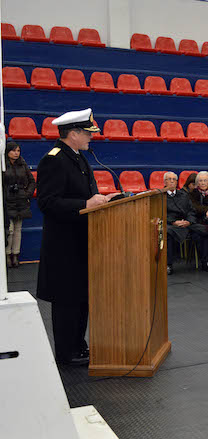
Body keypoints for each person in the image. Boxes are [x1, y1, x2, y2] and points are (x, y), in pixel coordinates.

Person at [37, 108, 113, 367]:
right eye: (88, 133)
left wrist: (101, 200)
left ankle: (79, 346)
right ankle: (66, 353)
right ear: (74, 133)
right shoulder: (54, 159)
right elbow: (47, 203)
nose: (92, 137)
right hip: (64, 246)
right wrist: (85, 203)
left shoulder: (79, 157)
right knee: (67, 302)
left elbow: (84, 196)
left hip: (83, 243)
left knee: (81, 298)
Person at [164, 172, 208, 274]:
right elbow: (160, 213)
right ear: (164, 182)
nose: (172, 181)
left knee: (201, 231)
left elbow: (191, 211)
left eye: (174, 179)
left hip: (186, 223)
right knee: (167, 233)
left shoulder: (183, 195)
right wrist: (173, 222)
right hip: (171, 224)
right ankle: (168, 264)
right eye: (169, 179)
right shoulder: (160, 197)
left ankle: (206, 262)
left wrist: (189, 221)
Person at [3, 141, 35, 268]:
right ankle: (6, 255)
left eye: (18, 151)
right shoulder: (3, 164)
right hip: (7, 201)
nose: (16, 153)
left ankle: (15, 255)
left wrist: (26, 194)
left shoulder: (22, 163)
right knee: (9, 230)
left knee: (18, 230)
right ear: (7, 151)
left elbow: (32, 181)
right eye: (13, 151)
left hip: (21, 201)